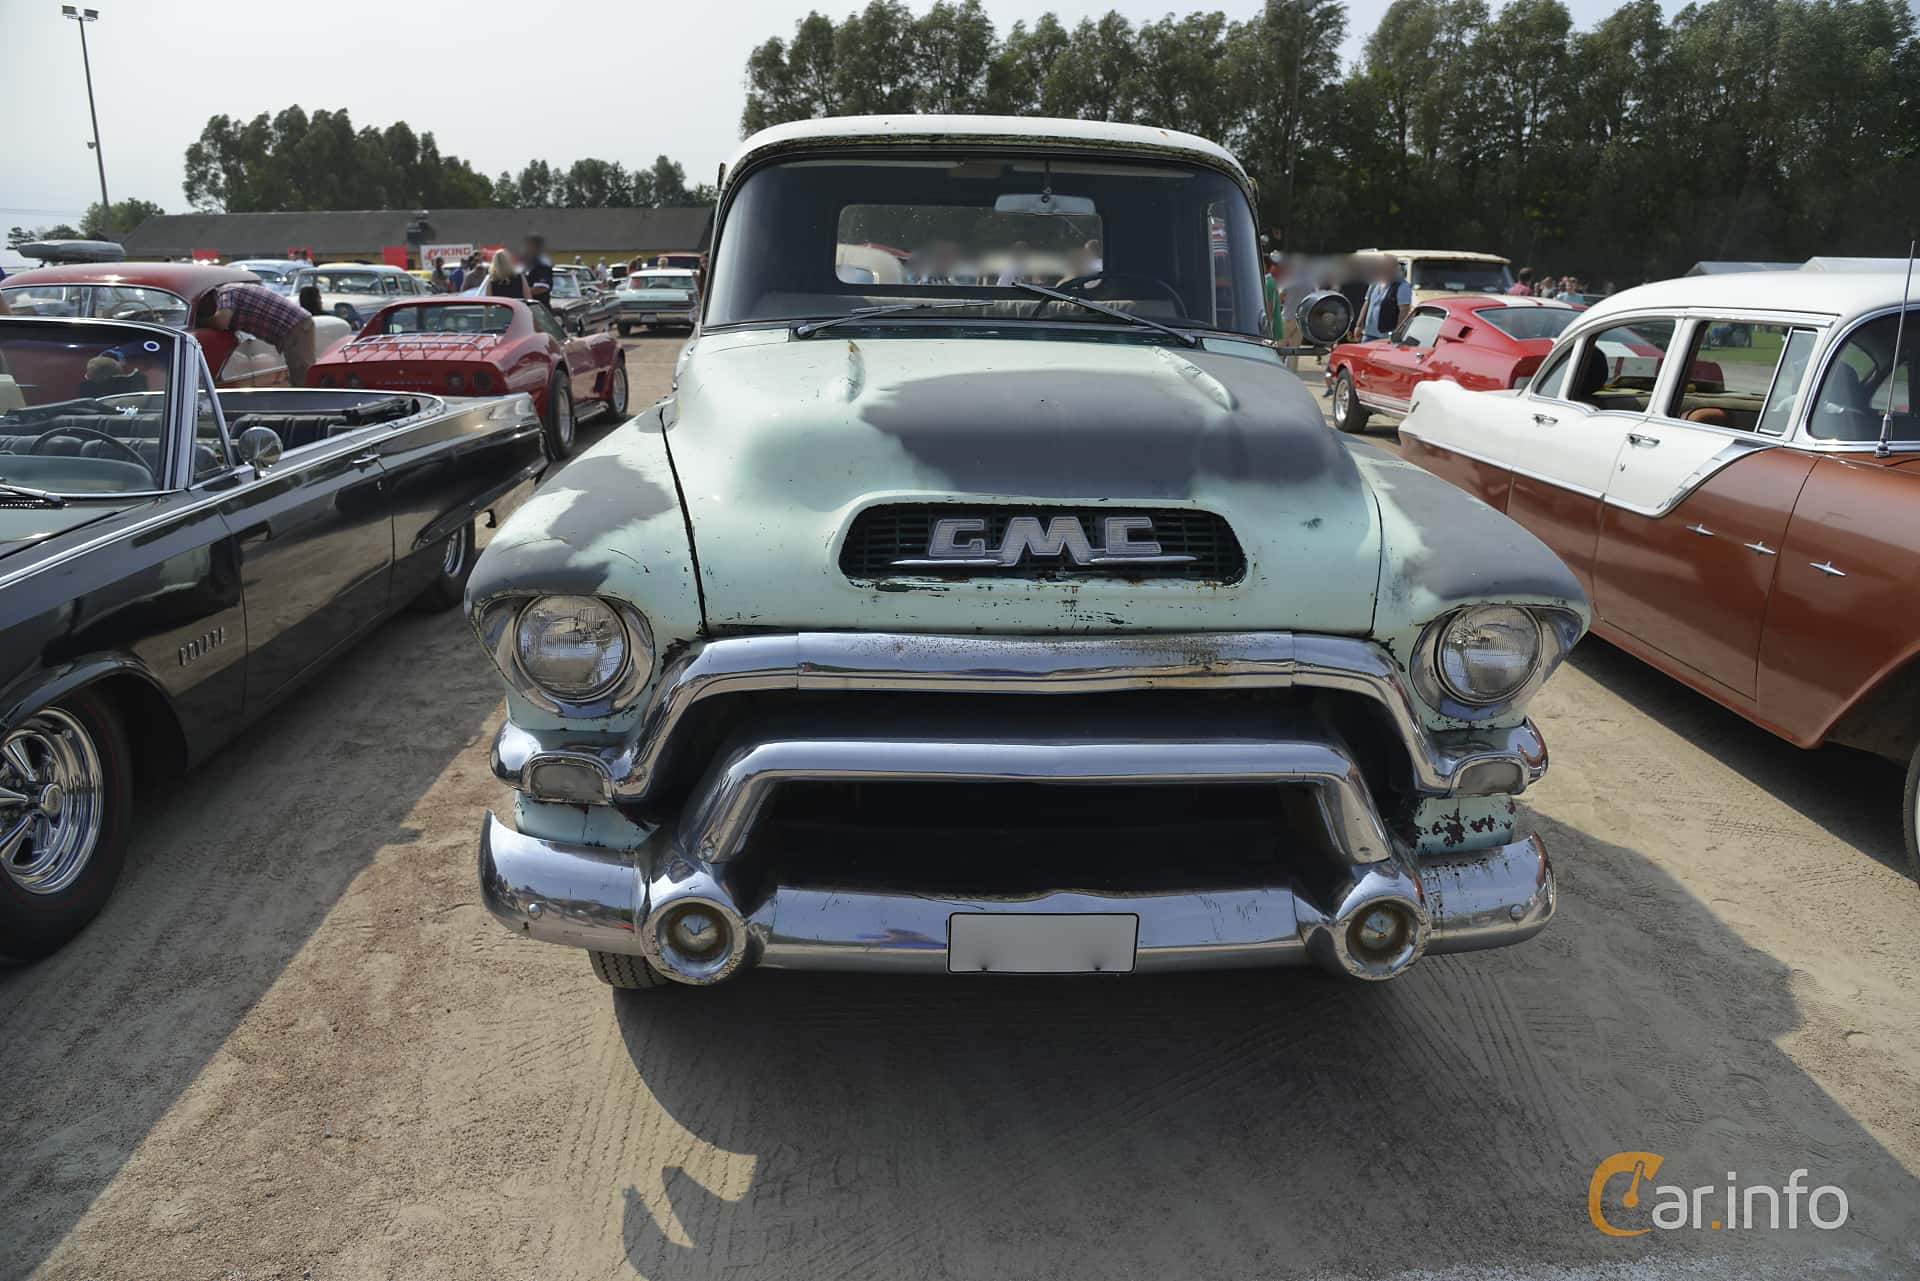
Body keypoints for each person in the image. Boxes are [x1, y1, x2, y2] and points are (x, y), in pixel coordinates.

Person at [194, 281, 319, 384]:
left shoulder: (226, 293)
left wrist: (201, 321)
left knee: (302, 375)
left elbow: (222, 321)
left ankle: (311, 409)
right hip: (294, 326)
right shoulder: (233, 291)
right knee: (298, 373)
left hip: (295, 325)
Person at [1359, 255, 1411, 342]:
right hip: (1367, 334)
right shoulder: (1375, 283)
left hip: (1385, 337)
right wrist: (1359, 325)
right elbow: (1367, 303)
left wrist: (1396, 333)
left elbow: (1404, 312)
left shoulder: (1402, 286)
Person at [521, 235, 554, 310]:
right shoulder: (527, 263)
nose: (525, 248)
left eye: (528, 245)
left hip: (538, 309)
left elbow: (542, 287)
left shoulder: (542, 264)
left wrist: (518, 294)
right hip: (525, 306)